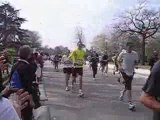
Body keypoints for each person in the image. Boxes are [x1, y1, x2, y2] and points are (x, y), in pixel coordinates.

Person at [10, 45, 35, 120]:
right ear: (29, 55)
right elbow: (28, 85)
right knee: (27, 116)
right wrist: (31, 100)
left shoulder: (14, 66)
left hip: (14, 95)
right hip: (24, 96)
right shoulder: (28, 67)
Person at [117, 42, 138, 110]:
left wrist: (136, 64)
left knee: (127, 85)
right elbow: (118, 60)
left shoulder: (135, 54)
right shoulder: (122, 53)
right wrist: (120, 66)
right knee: (129, 86)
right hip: (124, 71)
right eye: (128, 47)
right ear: (126, 47)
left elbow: (136, 61)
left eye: (131, 47)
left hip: (131, 72)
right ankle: (130, 103)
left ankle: (122, 92)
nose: (130, 49)